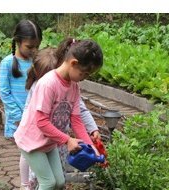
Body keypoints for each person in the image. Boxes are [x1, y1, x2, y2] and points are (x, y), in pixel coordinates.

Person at [14, 38, 103, 190]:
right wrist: (67, 140)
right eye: (84, 73)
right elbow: (41, 122)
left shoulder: (74, 87)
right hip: (32, 141)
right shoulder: (48, 84)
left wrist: (89, 145)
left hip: (48, 142)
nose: (84, 78)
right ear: (73, 63)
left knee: (59, 182)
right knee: (48, 183)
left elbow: (76, 120)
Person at [0, 19, 42, 190]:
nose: (33, 51)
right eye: (29, 47)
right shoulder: (7, 63)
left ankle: (34, 182)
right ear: (17, 41)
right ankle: (26, 185)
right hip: (20, 118)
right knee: (27, 152)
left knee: (35, 151)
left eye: (36, 46)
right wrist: (18, 117)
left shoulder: (37, 62)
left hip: (36, 115)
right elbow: (4, 92)